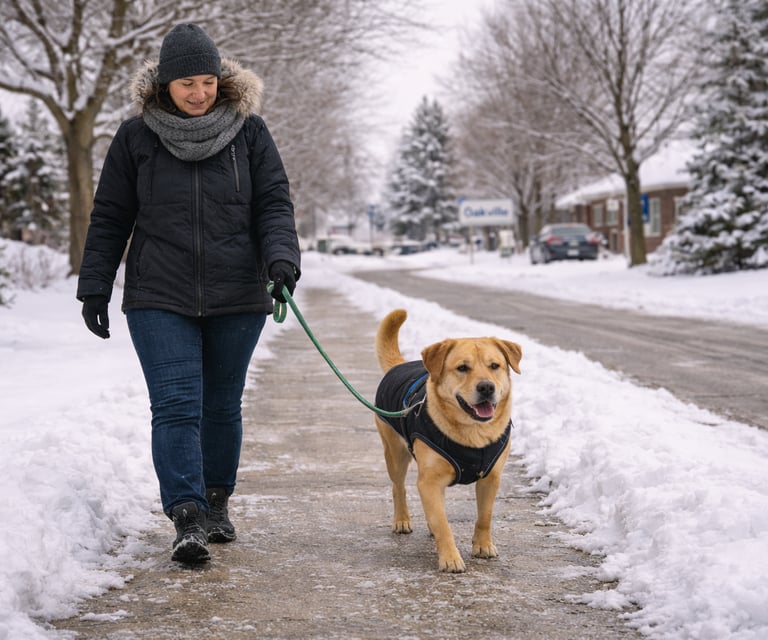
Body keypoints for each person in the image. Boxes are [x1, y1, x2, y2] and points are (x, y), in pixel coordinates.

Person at [77, 23, 301, 564]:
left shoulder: (250, 132)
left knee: (221, 405)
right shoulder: (136, 138)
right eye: (186, 84)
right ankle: (187, 516)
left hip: (237, 291)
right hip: (159, 293)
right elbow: (110, 216)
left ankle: (217, 501)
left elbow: (273, 203)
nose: (198, 93)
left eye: (207, 81)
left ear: (221, 80)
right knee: (176, 404)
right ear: (165, 84)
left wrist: (281, 259)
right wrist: (95, 285)